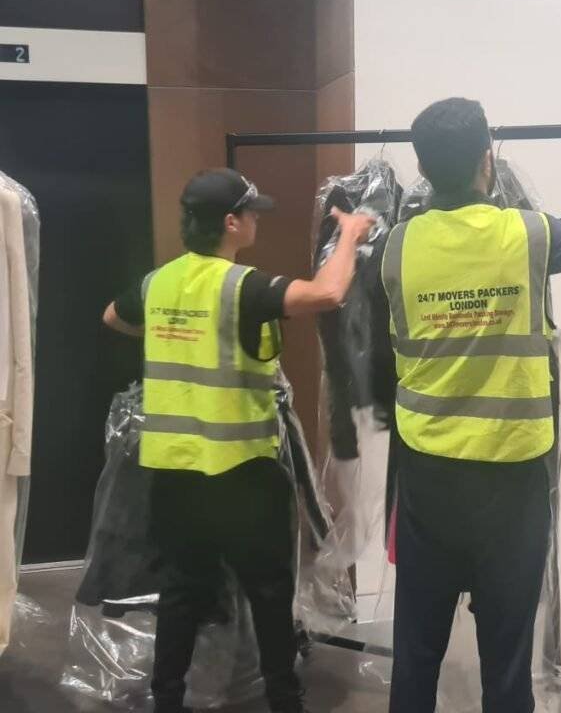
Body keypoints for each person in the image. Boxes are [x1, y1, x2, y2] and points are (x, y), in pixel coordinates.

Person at [381, 98, 561, 713]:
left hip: (428, 474)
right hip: (511, 478)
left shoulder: (396, 246)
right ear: (487, 161)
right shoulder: (527, 234)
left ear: (422, 169)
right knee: (507, 655)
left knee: (416, 648)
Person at [103, 167, 374, 713]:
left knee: (181, 593)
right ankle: (283, 700)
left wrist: (173, 334)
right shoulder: (242, 287)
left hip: (175, 472)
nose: (255, 221)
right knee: (269, 594)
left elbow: (113, 316)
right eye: (251, 213)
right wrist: (349, 234)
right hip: (241, 475)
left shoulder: (159, 283)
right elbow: (328, 292)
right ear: (231, 223)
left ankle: (167, 699)